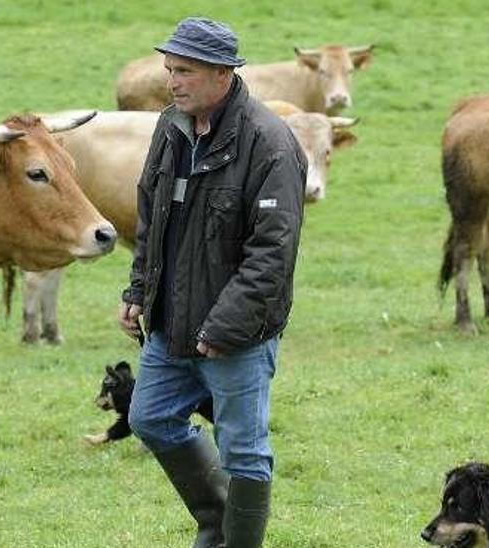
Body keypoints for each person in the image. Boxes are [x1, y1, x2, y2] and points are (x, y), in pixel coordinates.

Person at [117, 17, 307, 548]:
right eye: (170, 70)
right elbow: (150, 219)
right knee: (150, 417)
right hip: (170, 324)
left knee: (244, 451)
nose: (173, 81)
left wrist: (224, 327)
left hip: (237, 334)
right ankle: (218, 523)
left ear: (223, 74)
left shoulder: (269, 143)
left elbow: (273, 253)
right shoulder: (170, 127)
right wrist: (137, 293)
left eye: (186, 72)